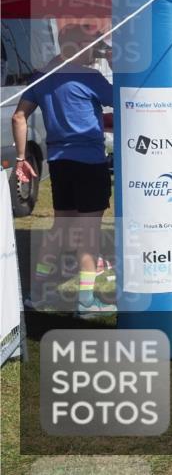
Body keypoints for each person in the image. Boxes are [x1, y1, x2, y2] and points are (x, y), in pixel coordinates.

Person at [12, 25, 115, 315]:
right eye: (92, 44)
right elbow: (124, 97)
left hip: (59, 163)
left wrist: (21, 159)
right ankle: (85, 301)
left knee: (60, 229)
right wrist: (115, 65)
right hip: (89, 163)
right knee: (88, 234)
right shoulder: (90, 77)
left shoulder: (42, 75)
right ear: (75, 45)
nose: (97, 50)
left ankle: (37, 294)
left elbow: (18, 117)